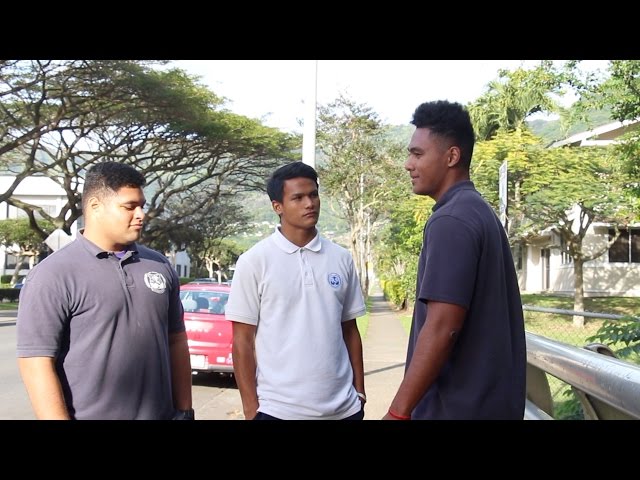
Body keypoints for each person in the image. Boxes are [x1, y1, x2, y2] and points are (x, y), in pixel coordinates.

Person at [16, 161, 194, 420]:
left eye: (142, 205)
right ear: (95, 207)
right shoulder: (52, 275)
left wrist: (185, 410)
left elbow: (176, 340)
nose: (141, 214)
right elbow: (36, 363)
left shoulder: (159, 265)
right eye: (129, 206)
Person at [383, 100, 526, 420]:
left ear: (452, 156)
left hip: (456, 409)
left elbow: (442, 327)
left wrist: (397, 412)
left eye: (417, 154)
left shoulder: (452, 220)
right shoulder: (478, 211)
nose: (408, 164)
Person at [226, 161, 367, 420]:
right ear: (277, 206)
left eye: (313, 194)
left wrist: (360, 393)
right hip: (277, 411)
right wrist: (250, 409)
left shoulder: (341, 258)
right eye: (298, 198)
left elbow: (350, 330)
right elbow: (242, 341)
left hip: (344, 410)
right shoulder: (254, 261)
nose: (309, 203)